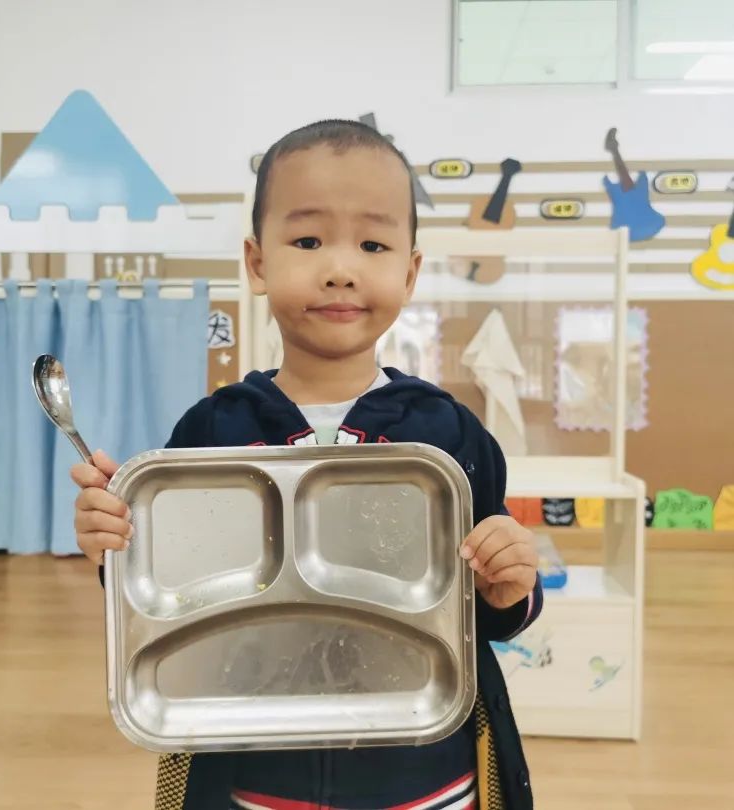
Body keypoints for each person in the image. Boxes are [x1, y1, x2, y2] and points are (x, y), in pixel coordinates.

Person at [72, 119, 543, 810]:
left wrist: (509, 586)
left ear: (410, 272)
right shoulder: (212, 430)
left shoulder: (448, 433)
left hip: (423, 772)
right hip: (256, 768)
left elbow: (490, 615)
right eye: (308, 241)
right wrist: (112, 546)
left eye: (373, 244)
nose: (340, 268)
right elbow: (172, 600)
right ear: (257, 262)